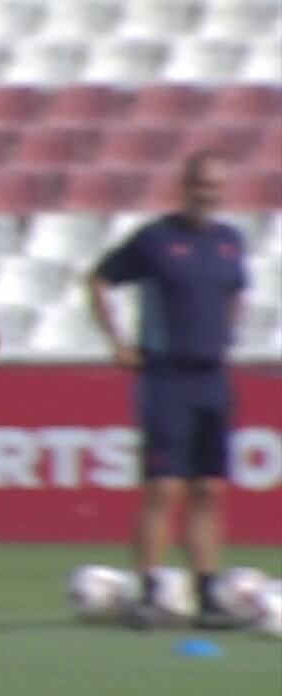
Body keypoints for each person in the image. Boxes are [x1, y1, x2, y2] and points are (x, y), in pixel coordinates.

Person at [86, 150, 250, 631]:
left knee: (209, 489)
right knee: (162, 487)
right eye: (202, 184)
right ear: (186, 185)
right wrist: (117, 342)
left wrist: (223, 336)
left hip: (212, 375)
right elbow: (99, 279)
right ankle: (148, 587)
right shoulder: (157, 240)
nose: (209, 194)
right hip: (167, 376)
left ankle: (206, 591)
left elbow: (235, 294)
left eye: (217, 186)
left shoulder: (229, 242)